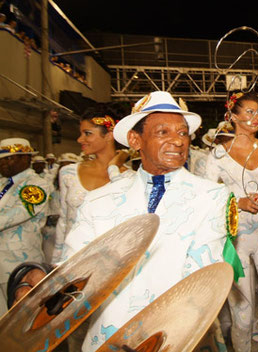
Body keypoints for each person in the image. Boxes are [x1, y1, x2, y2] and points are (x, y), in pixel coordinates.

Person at [12, 91, 237, 352]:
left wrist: (152, 335)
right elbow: (76, 270)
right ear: (135, 139)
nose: (177, 141)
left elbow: (202, 277)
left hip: (180, 338)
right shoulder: (99, 201)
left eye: (183, 132)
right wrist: (41, 283)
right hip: (108, 337)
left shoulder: (211, 196)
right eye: (163, 132)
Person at [205, 92, 258, 352]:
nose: (256, 117)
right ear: (234, 117)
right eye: (249, 112)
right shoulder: (217, 155)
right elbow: (208, 197)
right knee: (242, 312)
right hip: (235, 239)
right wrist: (238, 202)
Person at [51, 106, 129, 264]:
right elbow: (64, 222)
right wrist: (55, 264)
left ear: (109, 135)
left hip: (112, 263)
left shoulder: (129, 178)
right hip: (72, 260)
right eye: (81, 133)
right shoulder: (68, 173)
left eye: (87, 134)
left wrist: (114, 167)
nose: (80, 139)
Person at [0, 138, 53, 315]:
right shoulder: (2, 183)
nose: (3, 163)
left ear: (26, 158)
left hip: (18, 263)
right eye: (2, 159)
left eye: (9, 158)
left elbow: (15, 215)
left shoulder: (37, 184)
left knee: (22, 317)